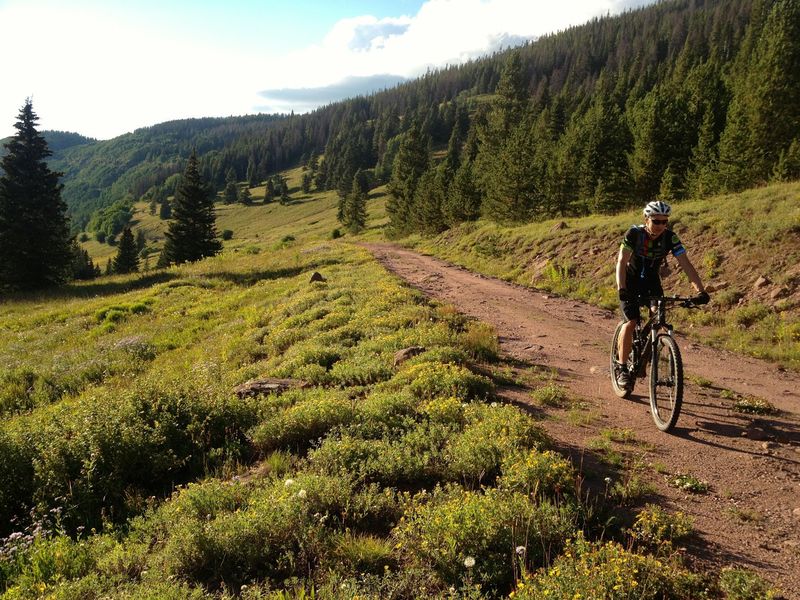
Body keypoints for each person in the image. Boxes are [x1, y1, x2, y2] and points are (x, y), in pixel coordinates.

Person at [615, 200, 709, 388]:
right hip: (631, 282)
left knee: (656, 318)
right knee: (631, 321)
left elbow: (686, 264)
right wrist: (621, 288)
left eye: (664, 221)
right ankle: (622, 367)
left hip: (652, 283)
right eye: (656, 221)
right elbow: (621, 261)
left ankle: (644, 359)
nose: (660, 225)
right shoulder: (634, 234)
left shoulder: (670, 238)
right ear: (646, 219)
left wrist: (700, 291)